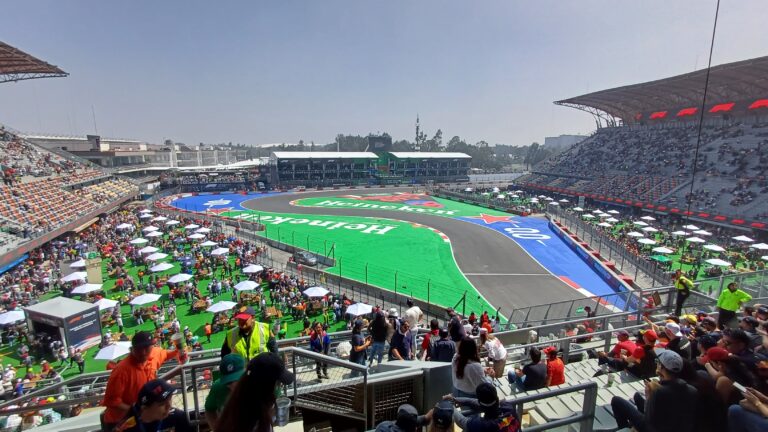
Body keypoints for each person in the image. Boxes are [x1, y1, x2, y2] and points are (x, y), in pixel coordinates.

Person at [101, 331, 185, 430]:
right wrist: (138, 412)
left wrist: (179, 351)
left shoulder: (154, 354)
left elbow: (166, 354)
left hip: (148, 413)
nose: (143, 352)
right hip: (122, 420)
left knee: (181, 417)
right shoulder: (121, 371)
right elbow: (112, 401)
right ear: (132, 349)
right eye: (139, 349)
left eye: (146, 348)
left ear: (152, 347)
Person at [610, 350, 698, 432]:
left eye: (658, 362)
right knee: (637, 396)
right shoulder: (693, 390)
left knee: (616, 400)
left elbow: (648, 418)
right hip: (679, 427)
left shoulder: (660, 392)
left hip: (654, 428)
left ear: (662, 367)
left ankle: (626, 429)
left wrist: (648, 396)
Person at [215, 352, 296, 432]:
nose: (279, 386)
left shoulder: (240, 400)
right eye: (278, 383)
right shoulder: (252, 419)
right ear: (265, 387)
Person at [112, 379, 192, 432]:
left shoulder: (178, 416)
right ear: (144, 408)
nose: (169, 406)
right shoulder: (127, 428)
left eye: (170, 399)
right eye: (162, 404)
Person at [445, 382, 521, 432]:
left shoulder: (485, 425)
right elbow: (488, 405)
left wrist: (449, 405)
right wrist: (456, 400)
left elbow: (462, 421)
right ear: (497, 398)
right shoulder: (509, 408)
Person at [204, 354, 245, 430]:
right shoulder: (218, 387)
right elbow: (209, 410)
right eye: (228, 382)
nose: (233, 385)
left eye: (236, 379)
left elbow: (272, 401)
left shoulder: (256, 383)